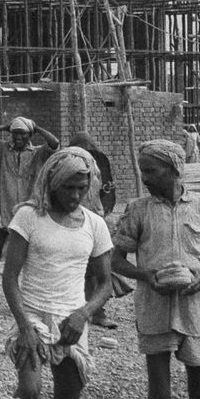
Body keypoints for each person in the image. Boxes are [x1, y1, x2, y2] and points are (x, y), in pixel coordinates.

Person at [111, 139, 200, 399]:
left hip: (195, 310)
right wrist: (147, 275)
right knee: (160, 395)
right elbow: (115, 260)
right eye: (143, 171)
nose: (145, 177)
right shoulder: (138, 209)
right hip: (154, 308)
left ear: (173, 170)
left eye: (151, 171)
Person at [1, 146, 114, 399]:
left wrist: (83, 314)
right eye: (68, 188)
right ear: (52, 184)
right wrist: (24, 325)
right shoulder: (29, 217)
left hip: (72, 320)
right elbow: (9, 278)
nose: (75, 195)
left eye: (81, 188)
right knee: (29, 391)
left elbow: (106, 283)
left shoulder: (94, 225)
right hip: (33, 315)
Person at [0, 116, 58, 315]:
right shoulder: (1, 150)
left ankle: (30, 302)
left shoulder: (37, 153)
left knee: (32, 258)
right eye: (15, 133)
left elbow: (55, 143)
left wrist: (37, 126)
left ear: (29, 136)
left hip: (29, 213)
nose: (17, 137)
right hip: (4, 209)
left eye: (22, 134)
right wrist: (3, 126)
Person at [68, 131, 120, 328]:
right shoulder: (67, 165)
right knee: (78, 268)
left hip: (95, 219)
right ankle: (76, 309)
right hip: (73, 221)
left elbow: (108, 188)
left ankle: (98, 311)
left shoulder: (99, 162)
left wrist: (104, 211)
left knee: (100, 268)